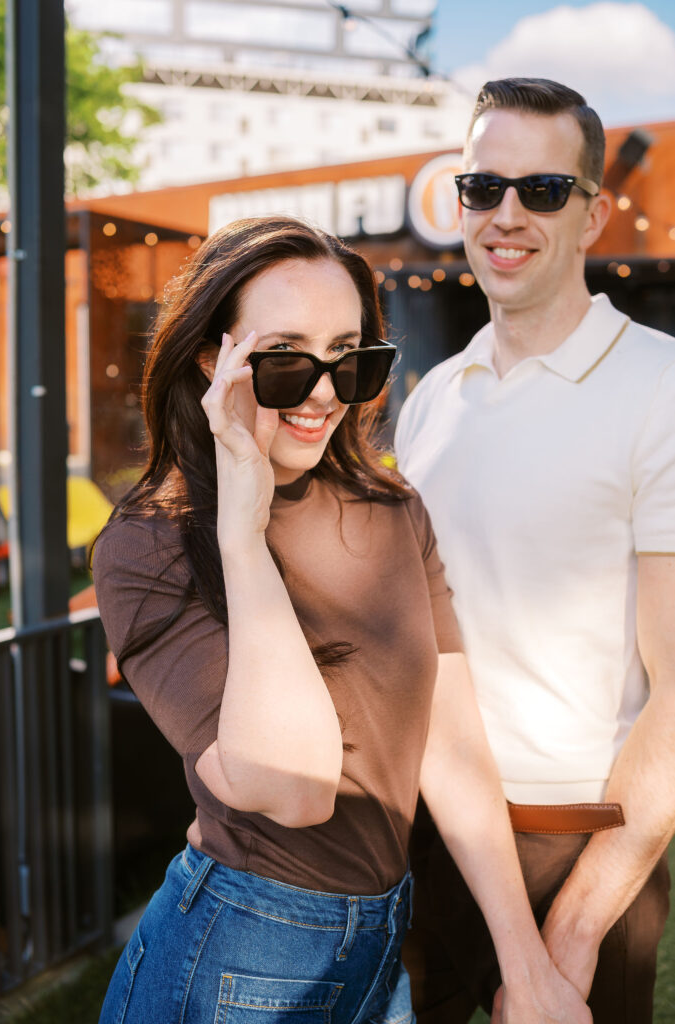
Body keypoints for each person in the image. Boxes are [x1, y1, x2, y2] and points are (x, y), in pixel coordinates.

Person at [93, 215, 590, 1024]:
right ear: (211, 359)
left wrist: (525, 965)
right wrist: (243, 536)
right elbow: (293, 790)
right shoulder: (150, 545)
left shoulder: (390, 509)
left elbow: (452, 748)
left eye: (348, 356)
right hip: (239, 954)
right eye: (286, 357)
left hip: (380, 948)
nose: (323, 392)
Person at [395, 78, 675, 1024]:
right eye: (482, 187)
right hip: (428, 827)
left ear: (592, 214)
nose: (505, 215)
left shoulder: (658, 387)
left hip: (579, 840)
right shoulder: (434, 397)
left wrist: (571, 937)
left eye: (542, 190)